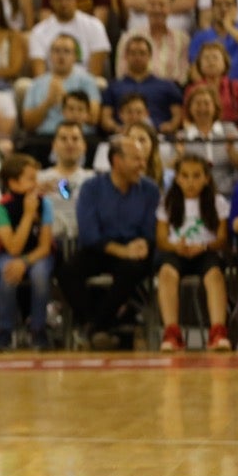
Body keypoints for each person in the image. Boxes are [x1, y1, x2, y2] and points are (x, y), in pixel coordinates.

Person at [63, 134, 158, 349]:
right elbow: (88, 234)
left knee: (132, 269)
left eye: (143, 159)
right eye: (137, 159)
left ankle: (95, 328)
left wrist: (144, 242)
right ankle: (102, 325)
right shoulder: (89, 187)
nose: (143, 165)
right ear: (117, 161)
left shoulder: (150, 189)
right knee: (68, 270)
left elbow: (151, 229)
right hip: (101, 247)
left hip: (135, 250)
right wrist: (121, 250)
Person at [155, 153, 231, 353]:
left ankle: (218, 331)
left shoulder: (217, 201)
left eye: (196, 176)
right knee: (166, 273)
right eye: (185, 176)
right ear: (177, 178)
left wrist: (204, 246)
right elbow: (162, 239)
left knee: (214, 274)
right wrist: (176, 247)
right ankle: (172, 332)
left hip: (205, 251)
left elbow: (222, 238)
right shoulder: (167, 202)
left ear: (206, 178)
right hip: (176, 251)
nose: (190, 182)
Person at [0, 153, 57, 352]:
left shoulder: (45, 204)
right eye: (30, 179)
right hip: (10, 252)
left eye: (36, 178)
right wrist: (28, 215)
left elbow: (45, 246)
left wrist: (25, 262)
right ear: (13, 182)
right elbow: (13, 248)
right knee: (7, 274)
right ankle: (5, 330)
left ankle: (38, 328)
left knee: (40, 276)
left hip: (38, 253)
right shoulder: (0, 207)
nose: (36, 184)